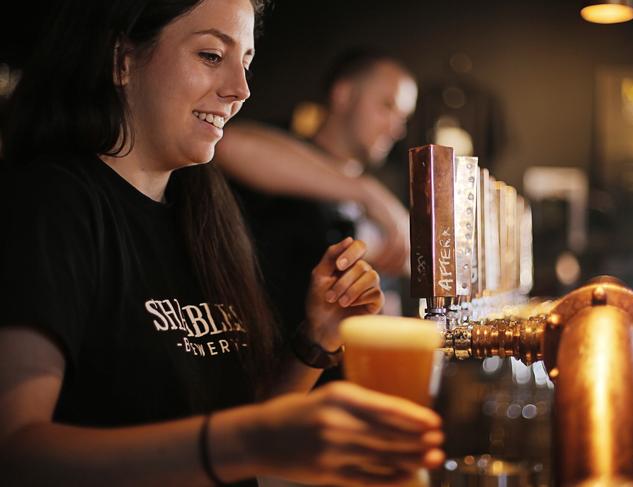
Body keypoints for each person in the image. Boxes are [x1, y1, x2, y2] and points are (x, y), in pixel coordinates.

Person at [0, 0, 444, 486]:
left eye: (247, 63)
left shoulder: (203, 214)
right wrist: (246, 440)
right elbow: (18, 454)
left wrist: (315, 341)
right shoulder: (53, 205)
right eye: (212, 55)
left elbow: (240, 437)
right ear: (122, 61)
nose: (240, 90)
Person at [213, 50, 418, 344]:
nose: (397, 128)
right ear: (344, 94)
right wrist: (367, 193)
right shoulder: (286, 154)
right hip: (288, 366)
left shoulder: (384, 193)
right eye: (387, 106)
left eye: (403, 117)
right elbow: (230, 145)